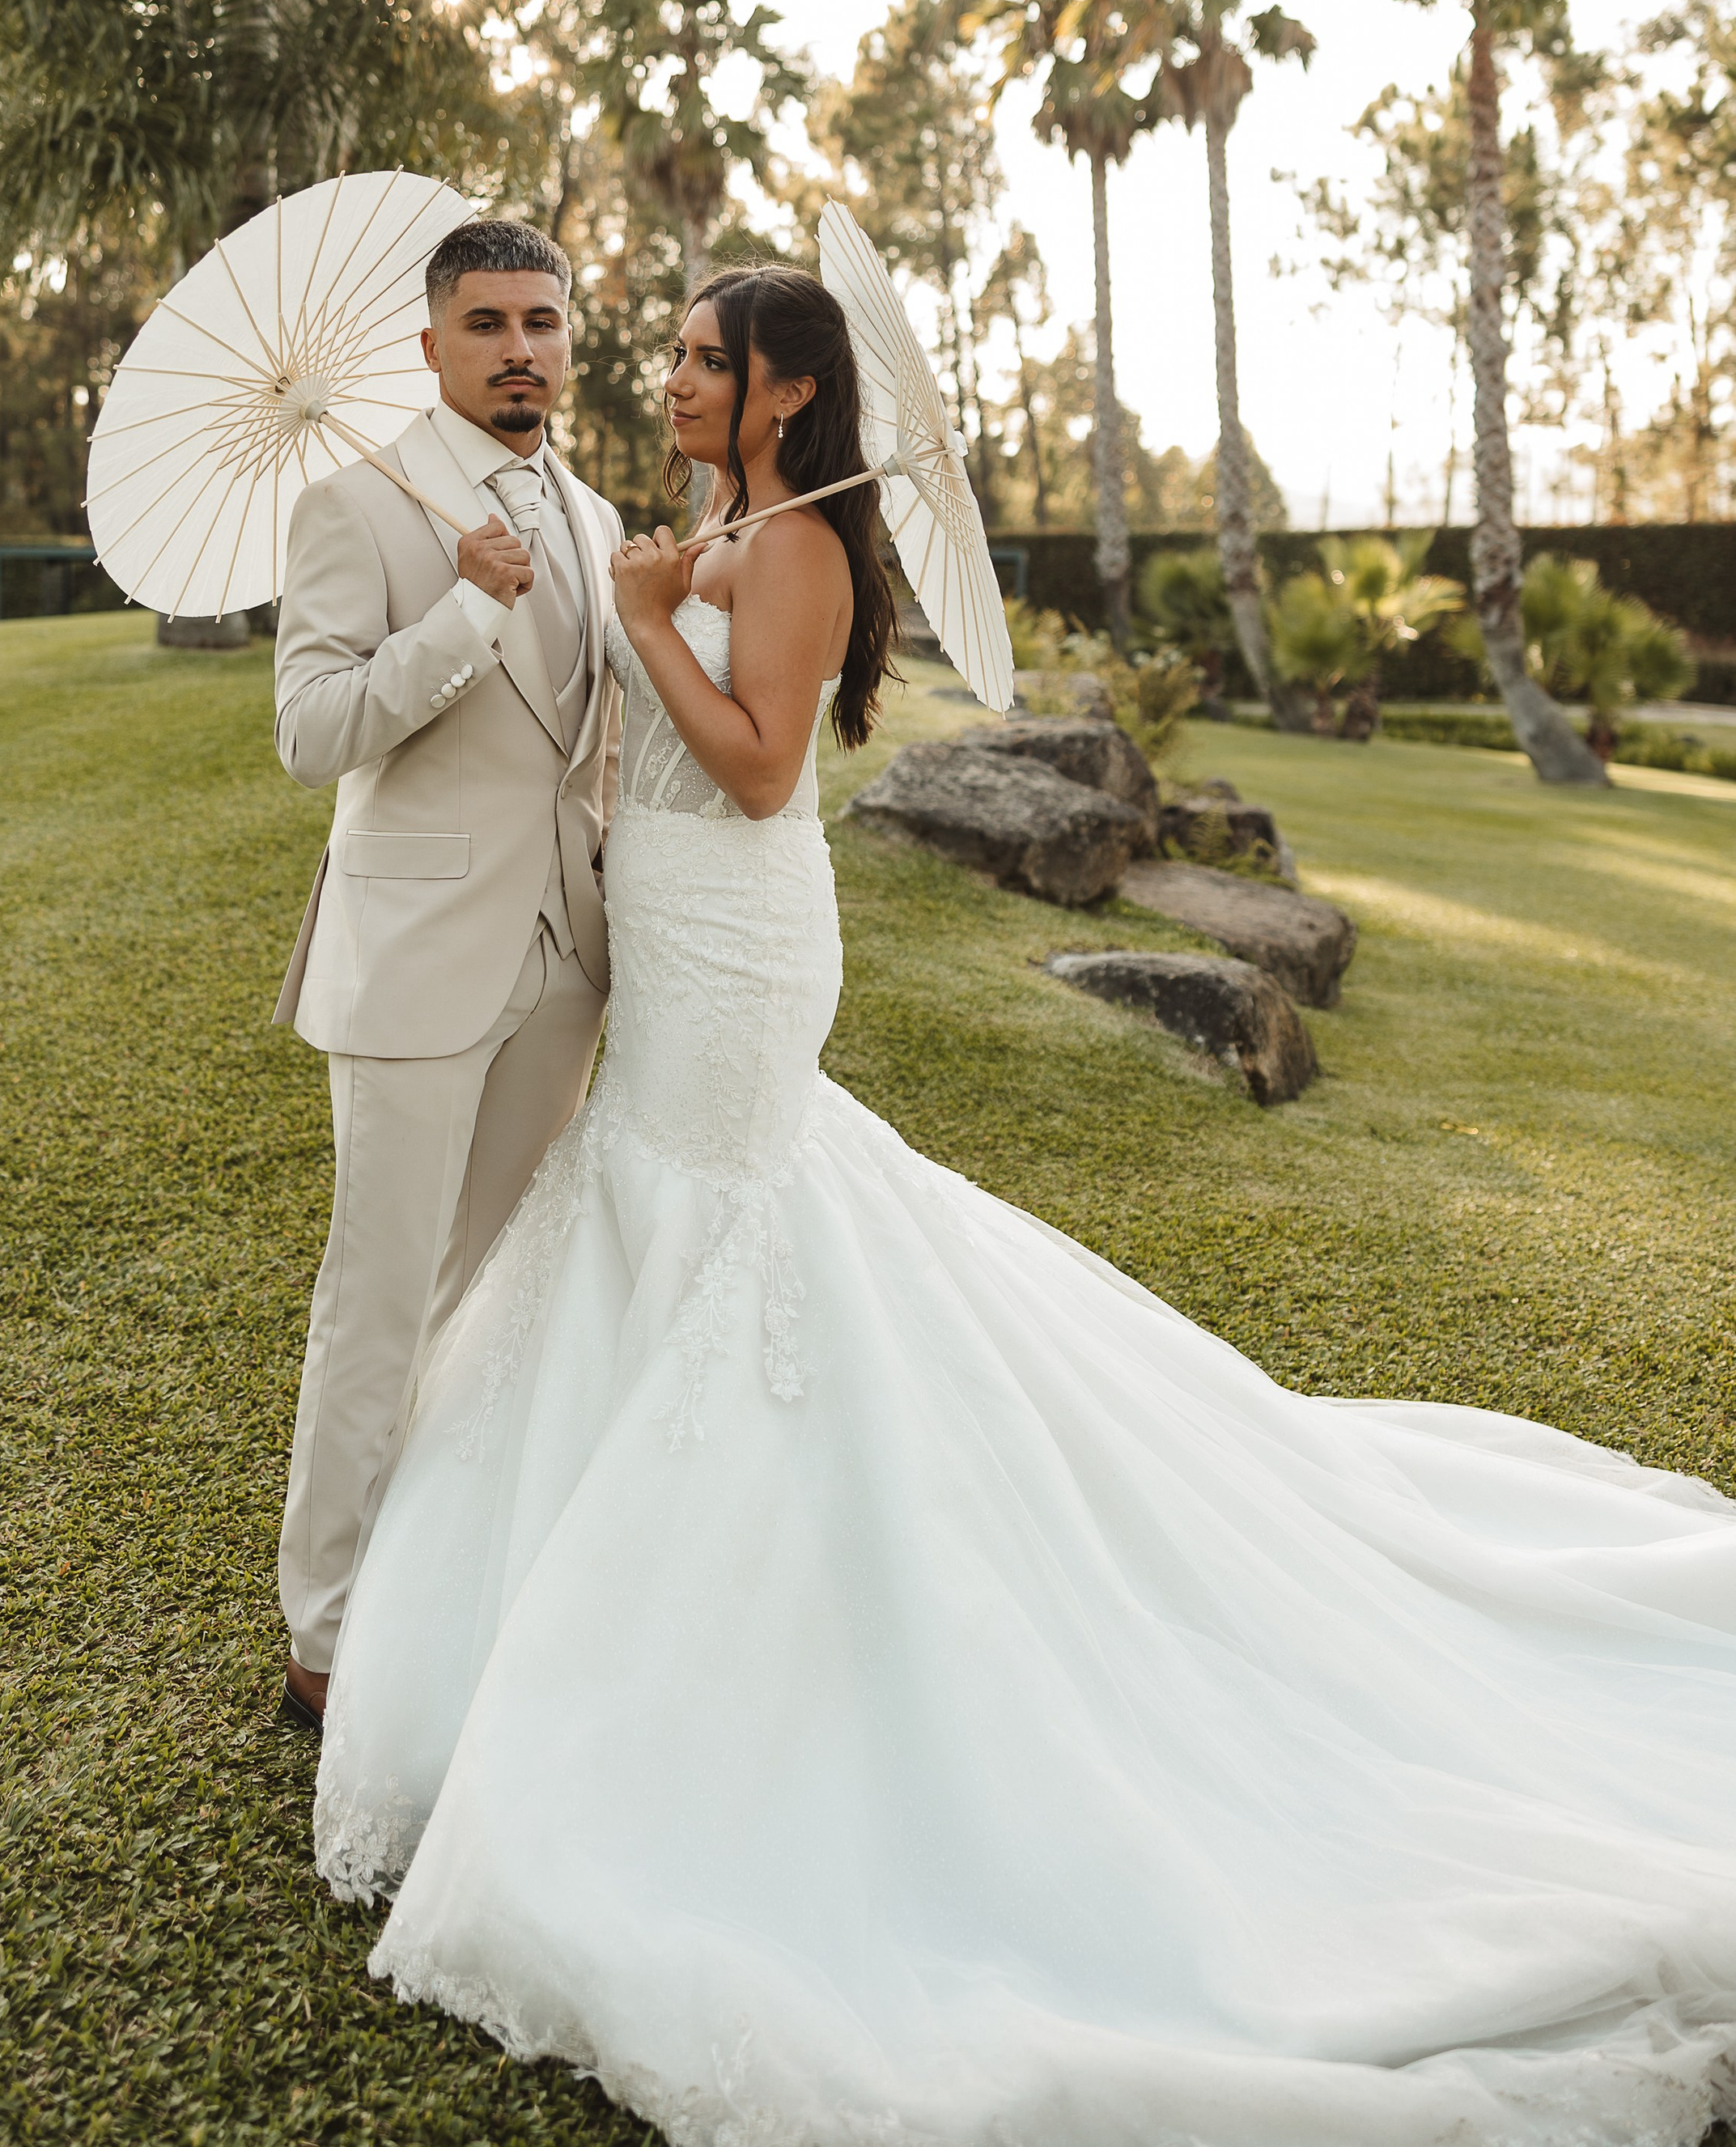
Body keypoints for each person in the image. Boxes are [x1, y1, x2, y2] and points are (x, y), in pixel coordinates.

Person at [312, 263, 1736, 2147]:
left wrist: (650, 619)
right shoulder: (721, 523)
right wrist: (640, 619)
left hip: (735, 940)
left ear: (784, 390)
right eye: (666, 353)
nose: (665, 378)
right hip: (659, 931)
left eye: (702, 360)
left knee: (730, 1229)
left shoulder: (795, 543)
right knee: (650, 1225)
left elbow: (759, 773)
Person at [269, 219, 623, 1732]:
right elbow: (311, 734)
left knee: (493, 1290)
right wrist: (466, 609)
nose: (519, 350)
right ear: (431, 346)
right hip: (415, 958)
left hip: (566, 961)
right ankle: (327, 1630)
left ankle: (443, 1576)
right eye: (487, 324)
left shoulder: (598, 517)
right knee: (381, 1296)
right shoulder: (356, 503)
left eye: (542, 322)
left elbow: (592, 742)